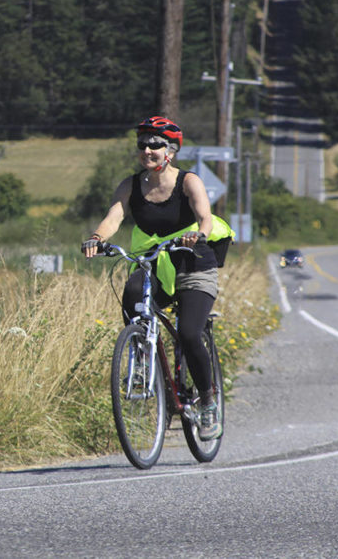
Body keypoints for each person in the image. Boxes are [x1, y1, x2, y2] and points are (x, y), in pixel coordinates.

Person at [81, 115, 232, 440]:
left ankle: (207, 403)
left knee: (189, 334)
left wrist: (198, 236)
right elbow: (115, 216)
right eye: (142, 144)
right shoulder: (131, 185)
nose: (147, 149)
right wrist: (97, 238)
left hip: (193, 263)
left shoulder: (188, 181)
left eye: (155, 144)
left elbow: (204, 216)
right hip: (153, 263)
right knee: (132, 299)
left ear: (171, 151)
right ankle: (141, 360)